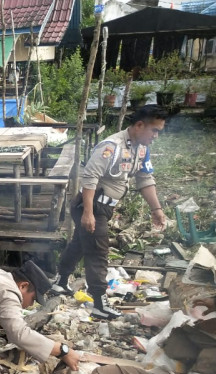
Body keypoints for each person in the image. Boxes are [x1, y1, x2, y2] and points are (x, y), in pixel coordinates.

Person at [56, 105, 168, 320]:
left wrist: (157, 210)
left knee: (80, 244)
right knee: (98, 252)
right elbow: (90, 177)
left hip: (105, 207)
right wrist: (88, 213)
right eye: (154, 131)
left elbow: (145, 179)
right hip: (90, 206)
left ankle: (60, 282)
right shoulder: (111, 147)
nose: (155, 136)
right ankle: (98, 302)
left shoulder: (142, 148)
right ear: (139, 125)